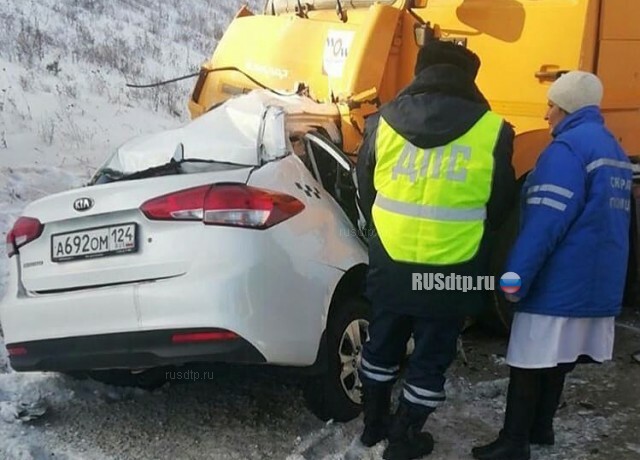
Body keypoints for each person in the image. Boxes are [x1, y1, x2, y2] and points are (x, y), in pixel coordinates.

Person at [355, 39, 516, 460]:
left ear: (420, 71)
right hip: (452, 268)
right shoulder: (493, 130)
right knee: (430, 359)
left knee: (380, 346)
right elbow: (499, 206)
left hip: (390, 262)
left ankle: (373, 426)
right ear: (469, 77)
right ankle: (404, 438)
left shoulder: (382, 122)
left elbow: (365, 190)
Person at [472, 71, 633, 460]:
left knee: (529, 359)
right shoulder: (612, 150)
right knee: (560, 357)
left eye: (552, 106)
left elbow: (545, 224)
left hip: (556, 283)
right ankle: (542, 429)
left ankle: (513, 442)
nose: (546, 115)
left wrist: (515, 277)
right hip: (594, 282)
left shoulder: (566, 152)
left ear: (568, 109)